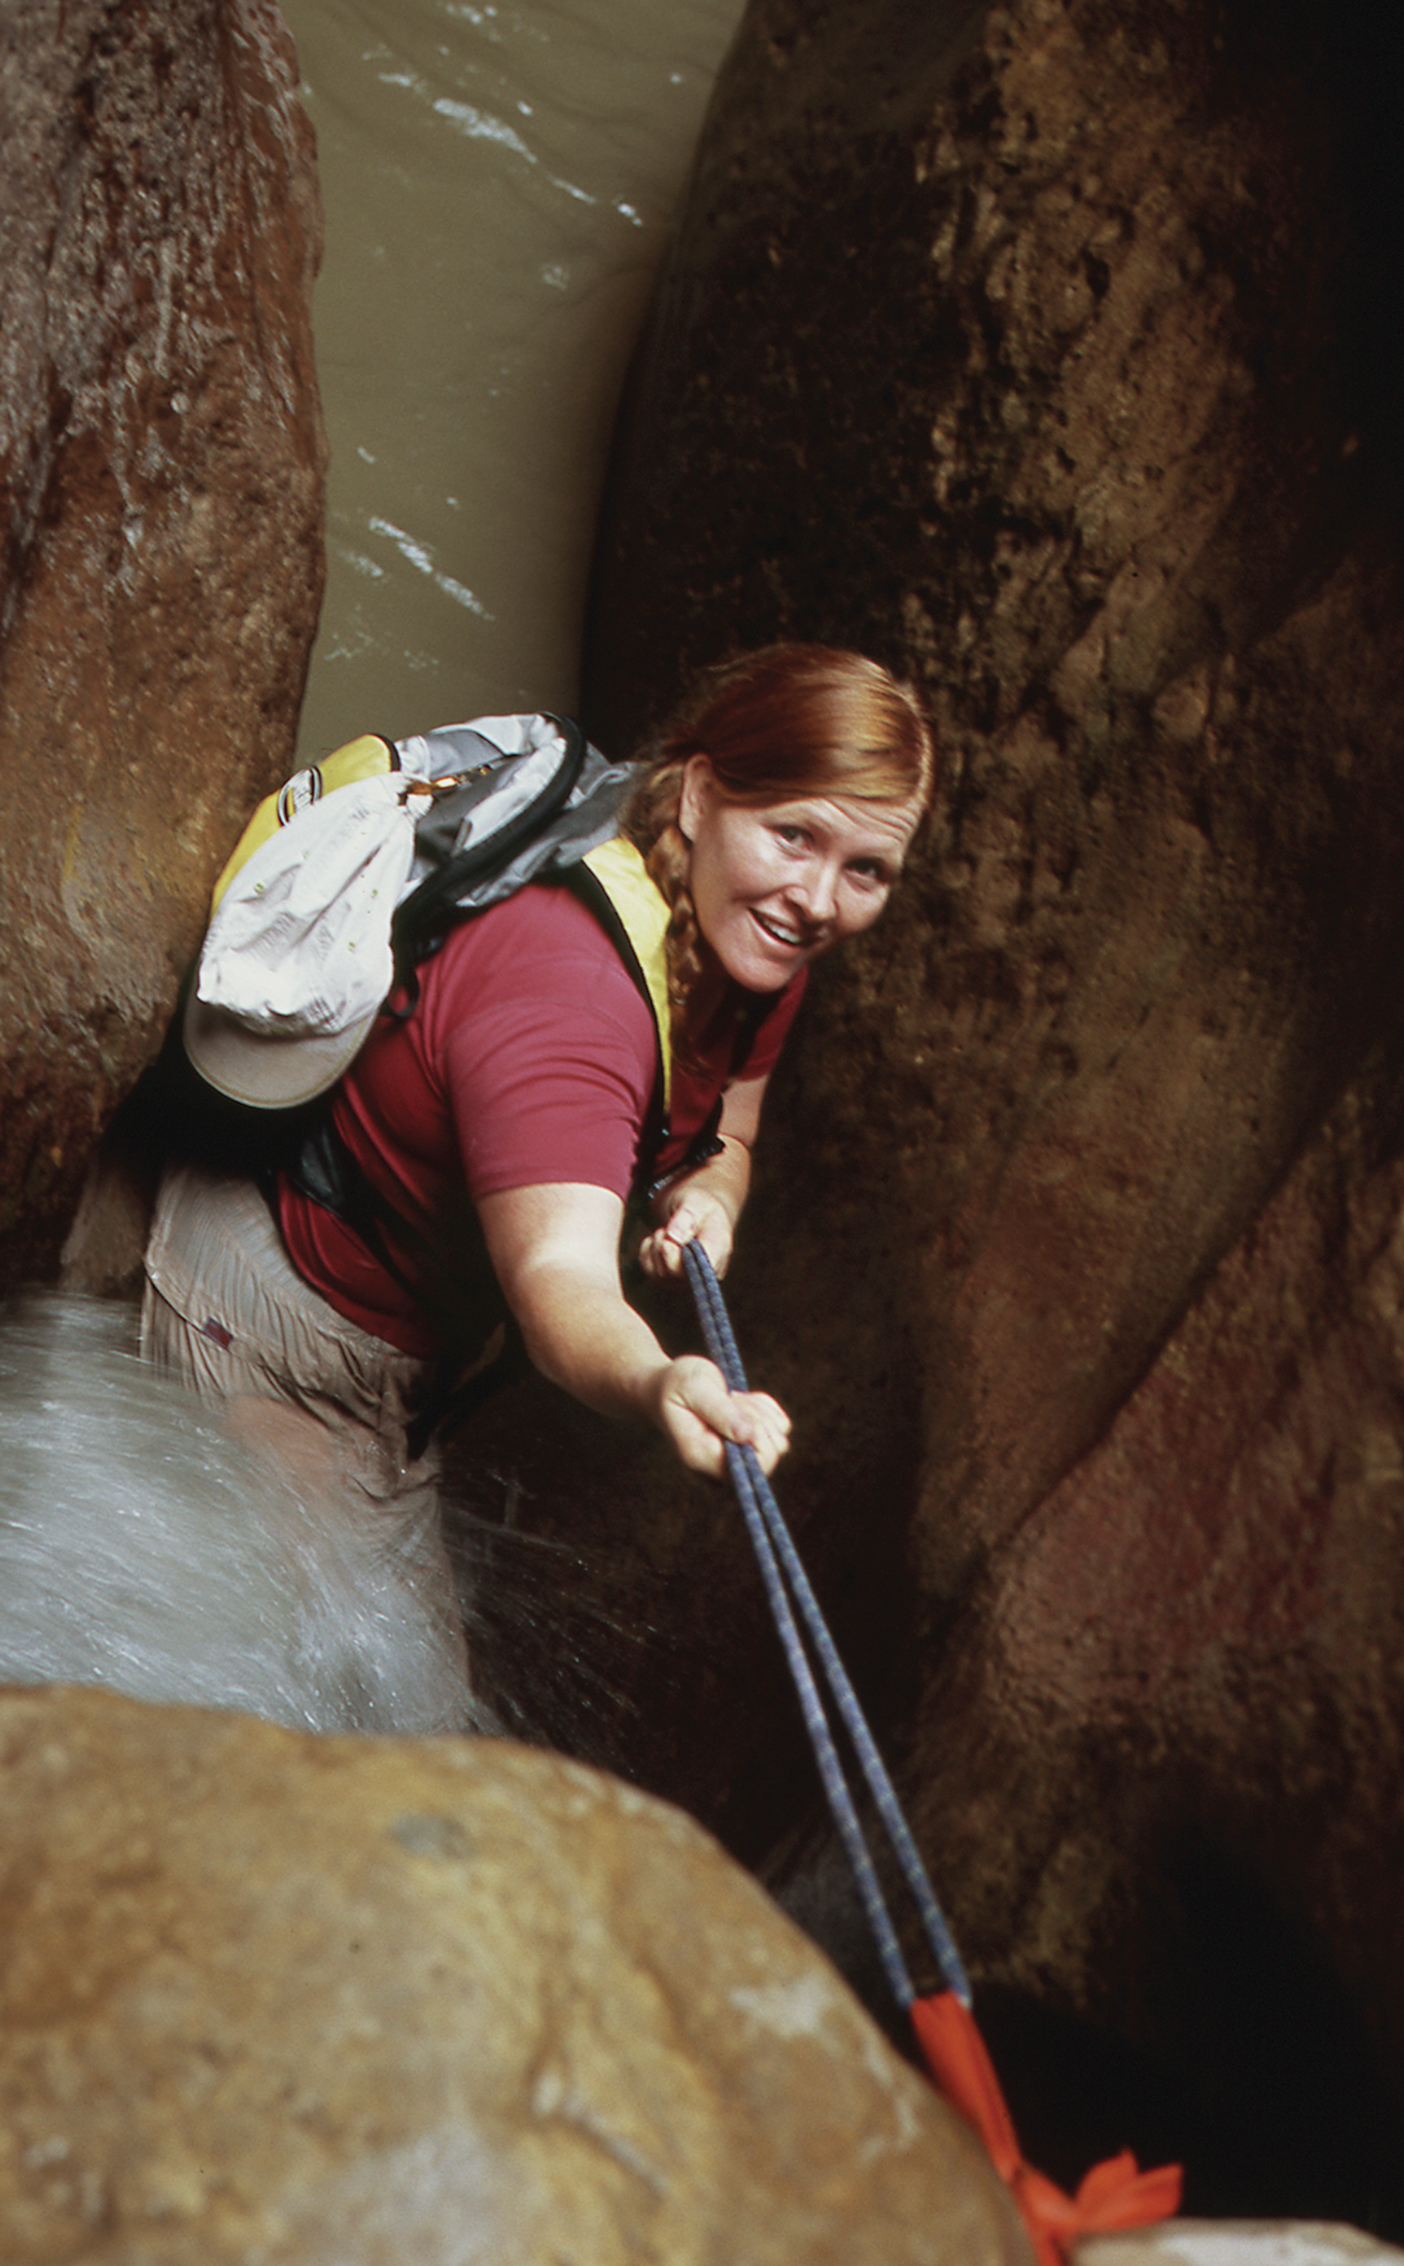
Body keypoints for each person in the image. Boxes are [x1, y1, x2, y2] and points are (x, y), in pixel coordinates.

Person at [140, 644, 933, 1577]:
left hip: (407, 1350)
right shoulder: (573, 1001)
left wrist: (711, 1198)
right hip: (277, 1317)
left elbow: (733, 1130)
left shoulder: (748, 935)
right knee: (307, 1689)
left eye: (867, 870)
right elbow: (561, 1280)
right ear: (700, 795)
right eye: (794, 835)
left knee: (395, 1699)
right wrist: (658, 1382)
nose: (818, 901)